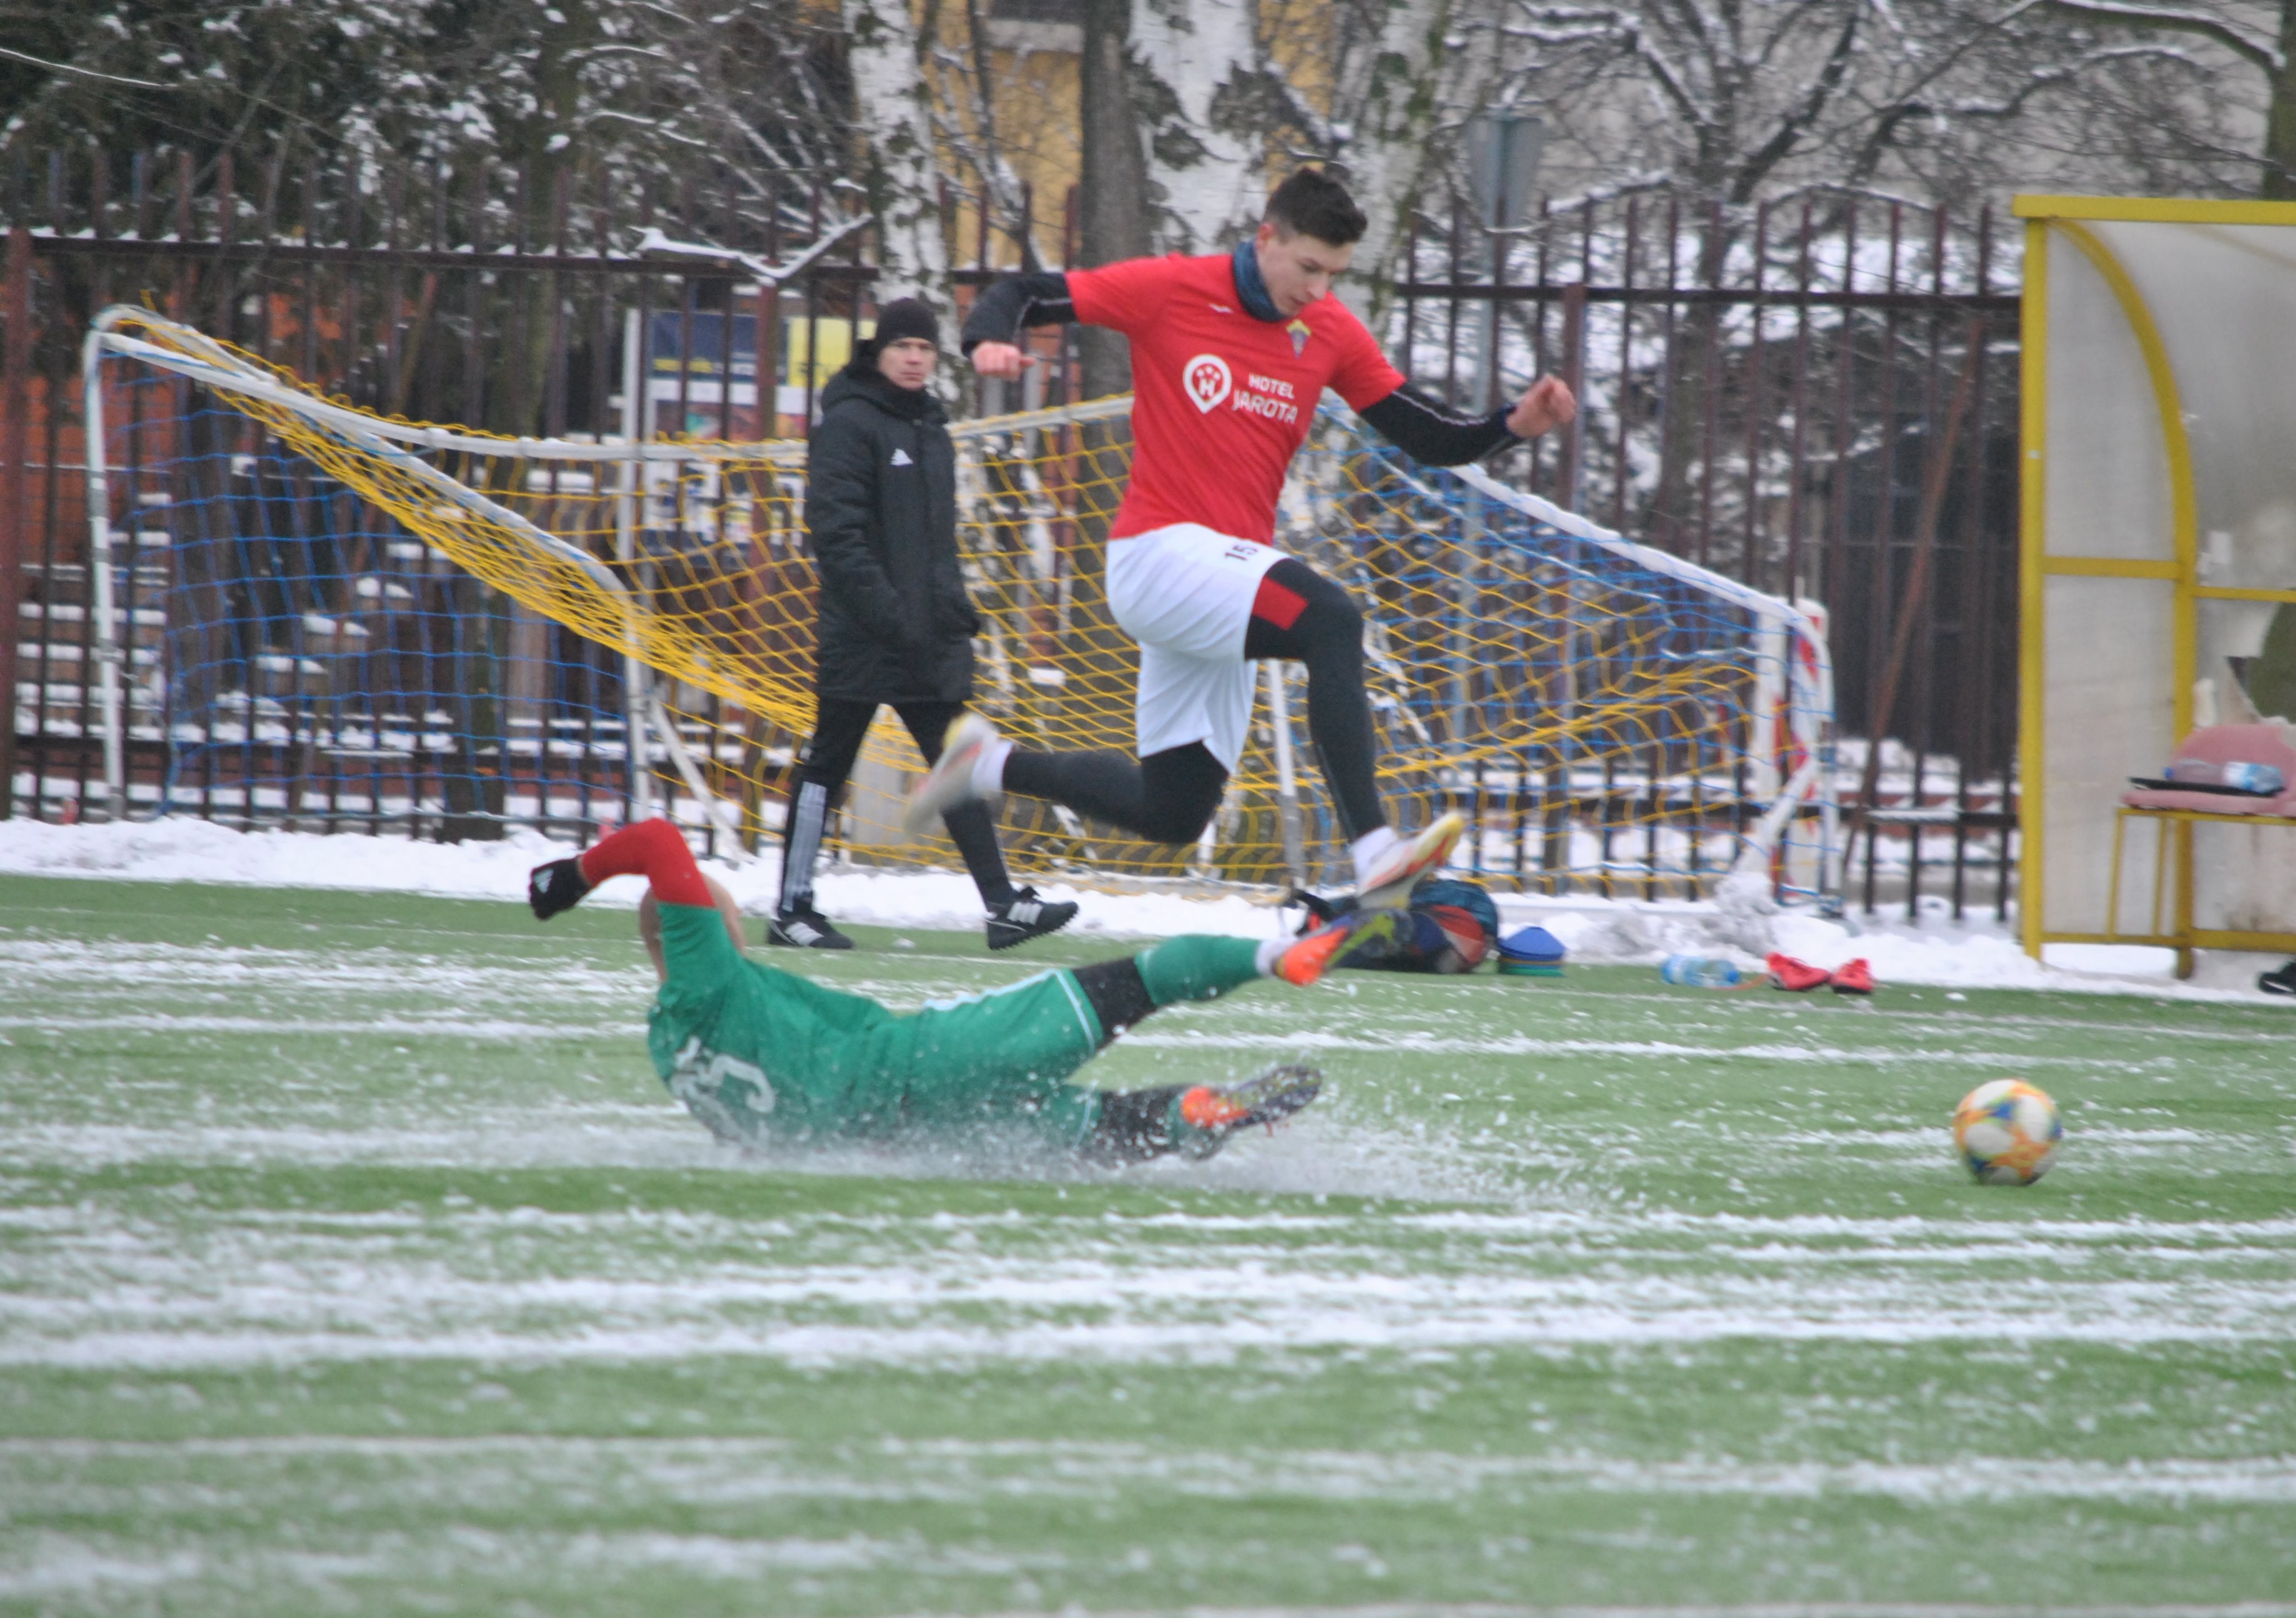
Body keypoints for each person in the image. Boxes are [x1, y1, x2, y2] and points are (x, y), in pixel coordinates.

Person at [908, 165, 1579, 905]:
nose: (1318, 289)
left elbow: (1425, 433)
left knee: (1173, 810)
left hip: (1222, 583)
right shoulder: (1171, 288)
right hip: (1157, 555)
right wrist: (985, 342)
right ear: (1267, 238)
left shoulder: (1326, 330)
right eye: (1308, 267)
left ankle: (988, 764)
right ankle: (1373, 851)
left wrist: (1511, 426)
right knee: (1330, 618)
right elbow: (1019, 293)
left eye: (1335, 274)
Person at [527, 819, 1400, 1162]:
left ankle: (1191, 1117)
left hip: (910, 1138)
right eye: (725, 916)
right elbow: (654, 841)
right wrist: (574, 874)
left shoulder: (669, 1048)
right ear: (699, 934)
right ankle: (1276, 956)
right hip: (924, 1059)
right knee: (1128, 986)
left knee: (1102, 1132)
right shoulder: (711, 973)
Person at [773, 295, 1078, 953]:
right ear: (878, 353)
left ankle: (1001, 906)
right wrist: (891, 616)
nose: (913, 359)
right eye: (901, 348)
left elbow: (934, 544)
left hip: (921, 640)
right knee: (827, 766)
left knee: (957, 765)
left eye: (924, 350)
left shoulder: (929, 428)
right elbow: (838, 536)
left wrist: (949, 610)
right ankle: (791, 909)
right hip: (862, 637)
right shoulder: (850, 424)